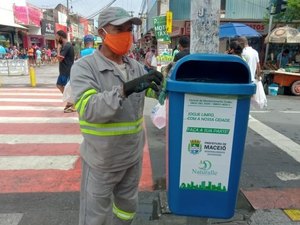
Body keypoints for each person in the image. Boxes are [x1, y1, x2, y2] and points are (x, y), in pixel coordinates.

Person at [70, 6, 163, 225]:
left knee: (126, 209)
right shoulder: (85, 68)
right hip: (102, 160)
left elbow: (152, 89)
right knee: (95, 216)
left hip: (132, 156)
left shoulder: (135, 67)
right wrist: (124, 89)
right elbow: (89, 108)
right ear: (102, 32)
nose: (126, 34)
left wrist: (164, 84)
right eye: (119, 28)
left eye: (129, 29)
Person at [55, 30, 75, 113]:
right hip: (65, 70)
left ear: (60, 36)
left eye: (56, 36)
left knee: (61, 85)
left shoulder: (66, 46)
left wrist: (58, 49)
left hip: (66, 70)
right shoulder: (66, 45)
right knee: (62, 86)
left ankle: (71, 102)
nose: (56, 38)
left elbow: (60, 58)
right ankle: (70, 102)